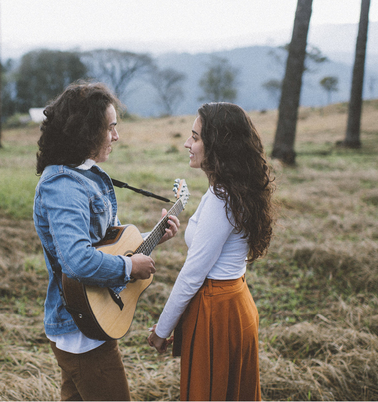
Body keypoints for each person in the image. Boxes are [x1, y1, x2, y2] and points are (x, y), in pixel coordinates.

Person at [33, 81, 179, 401]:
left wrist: (151, 239)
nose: (116, 136)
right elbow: (76, 260)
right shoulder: (63, 185)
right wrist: (129, 266)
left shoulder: (85, 172)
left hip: (87, 324)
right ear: (86, 131)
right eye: (110, 128)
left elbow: (103, 244)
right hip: (82, 331)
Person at [146, 102, 274, 401]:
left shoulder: (222, 198)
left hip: (218, 311)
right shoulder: (232, 189)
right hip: (233, 303)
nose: (187, 144)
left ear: (218, 145)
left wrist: (162, 329)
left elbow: (193, 273)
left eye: (196, 137)